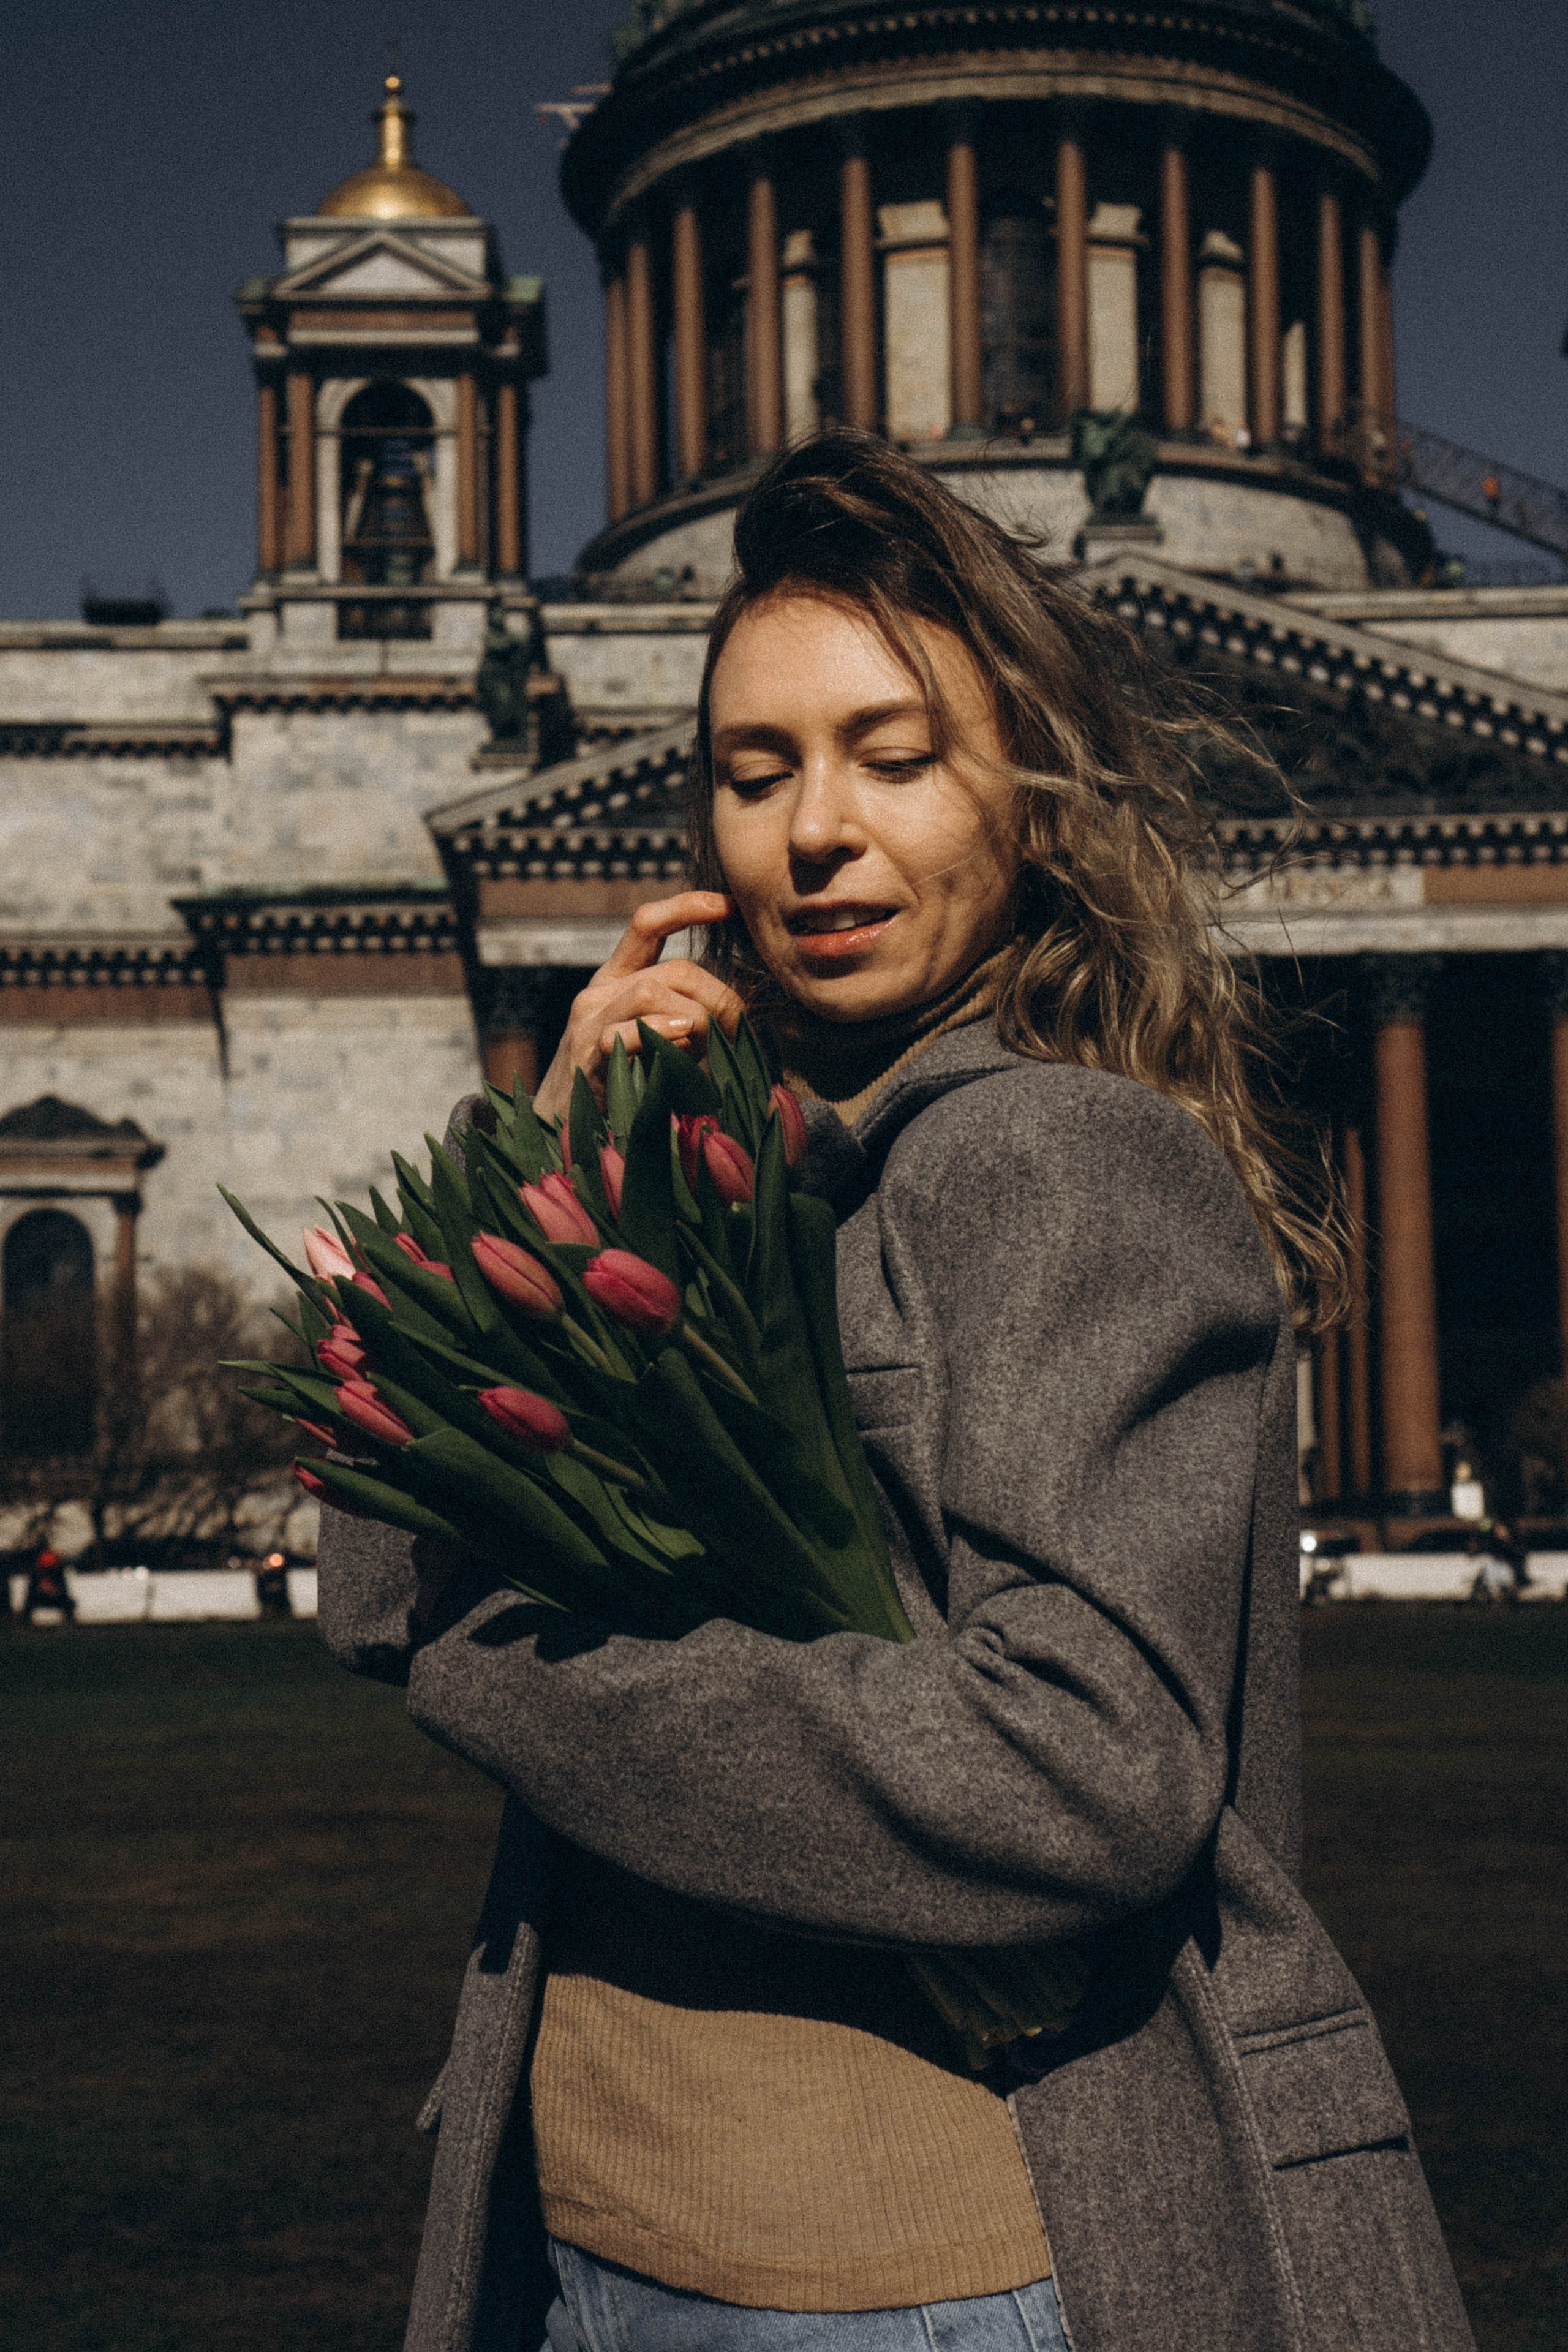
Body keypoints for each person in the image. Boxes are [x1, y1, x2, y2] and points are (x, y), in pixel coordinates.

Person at [318, 432, 1474, 2352]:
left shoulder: (1064, 1162)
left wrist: (512, 1668)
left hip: (899, 2280)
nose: (814, 832)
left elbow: (1076, 1773)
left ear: (1025, 792)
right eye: (755, 772)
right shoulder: (715, 1160)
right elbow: (377, 1576)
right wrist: (544, 1174)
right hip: (603, 2225)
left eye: (895, 755)